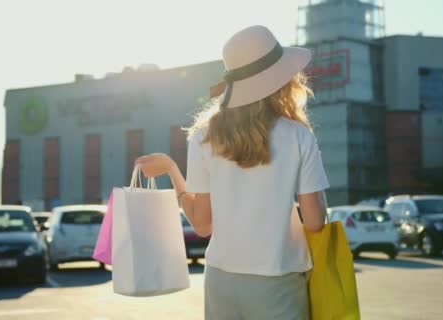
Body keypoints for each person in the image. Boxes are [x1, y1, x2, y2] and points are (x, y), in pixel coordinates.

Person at [135, 25, 329, 320]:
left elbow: (201, 224)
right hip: (276, 279)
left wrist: (172, 170)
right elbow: (315, 222)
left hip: (220, 281)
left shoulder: (203, 136)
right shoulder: (298, 135)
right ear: (281, 79)